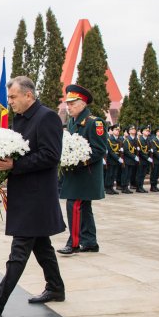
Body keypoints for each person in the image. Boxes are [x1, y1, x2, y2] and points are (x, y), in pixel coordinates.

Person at [0, 76, 65, 315]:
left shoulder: (47, 117)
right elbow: (16, 154)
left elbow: (51, 156)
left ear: (28, 95)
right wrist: (0, 172)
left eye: (13, 97)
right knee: (42, 246)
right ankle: (55, 287)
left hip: (37, 196)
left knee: (20, 250)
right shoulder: (20, 119)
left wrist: (14, 165)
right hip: (24, 192)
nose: (10, 102)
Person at [57, 85, 107, 255]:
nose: (68, 107)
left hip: (86, 173)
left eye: (72, 103)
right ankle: (90, 241)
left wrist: (77, 161)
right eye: (67, 104)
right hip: (74, 172)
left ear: (83, 103)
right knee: (84, 207)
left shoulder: (95, 122)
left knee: (75, 205)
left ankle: (75, 242)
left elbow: (99, 150)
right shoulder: (72, 122)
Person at [104, 124, 122, 195]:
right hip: (111, 160)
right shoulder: (109, 139)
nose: (117, 131)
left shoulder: (119, 140)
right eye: (116, 130)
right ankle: (107, 188)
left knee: (114, 175)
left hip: (116, 160)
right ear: (112, 130)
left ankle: (111, 187)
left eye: (118, 130)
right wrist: (118, 158)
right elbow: (110, 151)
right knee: (109, 174)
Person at [121, 125, 139, 193]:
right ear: (129, 131)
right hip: (127, 160)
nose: (133, 130)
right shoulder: (127, 140)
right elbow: (126, 151)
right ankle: (124, 187)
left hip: (132, 161)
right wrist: (134, 157)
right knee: (125, 174)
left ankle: (126, 187)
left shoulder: (135, 140)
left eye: (134, 129)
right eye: (132, 129)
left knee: (129, 175)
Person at [135, 125, 152, 193]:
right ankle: (138, 187)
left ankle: (141, 186)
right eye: (146, 130)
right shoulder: (140, 140)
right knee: (139, 174)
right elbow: (141, 152)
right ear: (142, 132)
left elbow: (148, 150)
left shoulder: (148, 140)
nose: (147, 132)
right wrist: (147, 158)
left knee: (143, 174)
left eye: (148, 131)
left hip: (146, 160)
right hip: (141, 160)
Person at [149, 126, 159, 192]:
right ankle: (152, 186)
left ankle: (155, 186)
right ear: (156, 133)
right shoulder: (153, 141)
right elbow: (155, 151)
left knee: (157, 173)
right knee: (154, 173)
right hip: (155, 160)